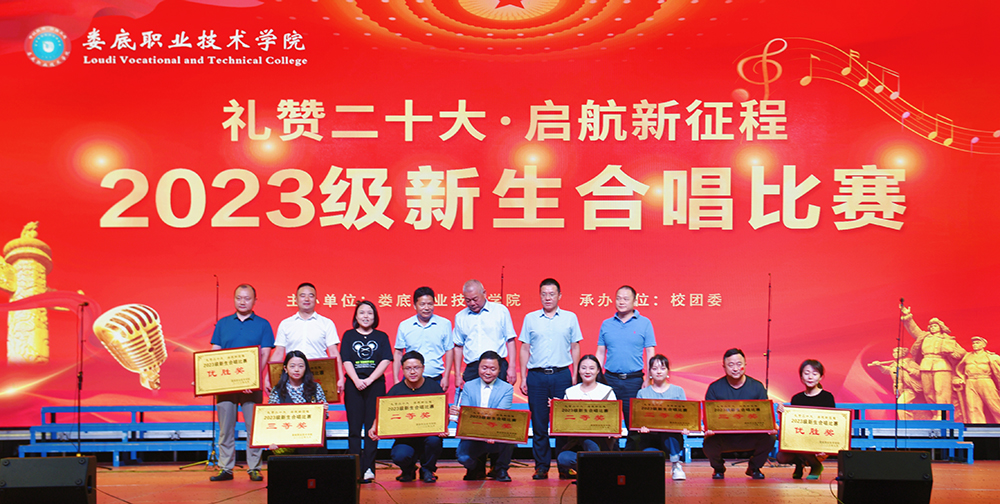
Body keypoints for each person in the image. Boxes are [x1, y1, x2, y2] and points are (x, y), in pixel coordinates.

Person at [209, 284, 274, 482]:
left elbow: (265, 354)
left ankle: (254, 467)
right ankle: (225, 468)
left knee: (253, 428)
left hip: (251, 387)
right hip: (225, 386)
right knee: (225, 429)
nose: (242, 302)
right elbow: (214, 352)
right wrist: (207, 377)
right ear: (234, 299)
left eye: (247, 298)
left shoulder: (263, 324)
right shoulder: (223, 323)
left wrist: (252, 379)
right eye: (239, 298)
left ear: (255, 301)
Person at [519, 278, 582, 480]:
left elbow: (575, 347)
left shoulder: (570, 317)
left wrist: (575, 375)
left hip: (562, 375)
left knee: (563, 423)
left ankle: (564, 465)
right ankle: (541, 466)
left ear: (559, 296)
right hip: (536, 376)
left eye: (552, 294)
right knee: (539, 424)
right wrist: (523, 377)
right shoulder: (530, 318)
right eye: (544, 294)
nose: (548, 298)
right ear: (540, 296)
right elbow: (525, 348)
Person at [595, 285, 656, 450]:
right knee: (607, 422)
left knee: (635, 424)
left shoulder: (644, 323)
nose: (621, 302)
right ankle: (611, 456)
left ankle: (631, 457)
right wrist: (596, 379)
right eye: (618, 298)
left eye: (626, 299)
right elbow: (600, 352)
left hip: (634, 381)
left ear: (635, 301)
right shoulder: (606, 324)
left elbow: (650, 352)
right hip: (609, 380)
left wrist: (649, 378)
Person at [370, 351, 444, 483]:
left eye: (416, 368)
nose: (412, 372)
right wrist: (374, 427)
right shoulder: (396, 390)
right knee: (399, 455)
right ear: (402, 370)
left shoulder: (433, 387)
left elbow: (443, 412)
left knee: (434, 441)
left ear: (423, 368)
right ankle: (408, 470)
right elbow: (383, 411)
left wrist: (444, 427)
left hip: (428, 435)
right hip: (405, 438)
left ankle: (427, 470)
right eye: (408, 368)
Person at [340, 300, 392, 483]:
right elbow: (346, 359)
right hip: (353, 386)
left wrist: (370, 380)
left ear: (375, 316)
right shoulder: (348, 335)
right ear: (356, 316)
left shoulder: (382, 336)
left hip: (375, 386)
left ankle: (369, 468)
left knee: (372, 429)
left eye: (370, 313)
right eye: (362, 312)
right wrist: (356, 380)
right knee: (354, 429)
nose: (366, 316)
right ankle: (354, 468)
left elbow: (386, 360)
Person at [704, 348, 775, 480]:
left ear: (745, 365)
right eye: (731, 365)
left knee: (770, 439)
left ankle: (754, 467)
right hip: (724, 437)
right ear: (724, 367)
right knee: (708, 443)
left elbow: (764, 415)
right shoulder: (714, 388)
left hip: (749, 436)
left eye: (739, 364)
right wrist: (709, 428)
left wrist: (770, 426)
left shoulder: (757, 387)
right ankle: (718, 468)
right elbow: (710, 416)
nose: (735, 369)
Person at [268, 282, 345, 396]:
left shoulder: (326, 323)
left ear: (316, 299)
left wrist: (340, 377)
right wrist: (268, 377)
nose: (307, 299)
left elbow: (334, 353)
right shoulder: (286, 324)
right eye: (302, 295)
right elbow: (278, 353)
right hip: (292, 377)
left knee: (319, 406)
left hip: (319, 375)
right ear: (296, 299)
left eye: (311, 295)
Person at [451, 351, 516, 482]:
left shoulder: (507, 388)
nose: (488, 372)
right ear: (478, 368)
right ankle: (476, 467)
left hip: (495, 433)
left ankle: (500, 468)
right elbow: (467, 414)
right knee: (463, 457)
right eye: (484, 368)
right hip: (473, 432)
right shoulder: (468, 386)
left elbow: (501, 413)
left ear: (499, 370)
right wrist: (458, 414)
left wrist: (491, 432)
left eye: (493, 369)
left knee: (511, 435)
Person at [555, 355, 618, 477]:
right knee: (564, 458)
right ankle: (595, 470)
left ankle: (590, 474)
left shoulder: (607, 391)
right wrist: (558, 408)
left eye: (591, 368)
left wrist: (613, 430)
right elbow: (565, 421)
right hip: (576, 442)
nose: (587, 371)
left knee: (589, 441)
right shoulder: (570, 392)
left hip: (601, 441)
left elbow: (613, 418)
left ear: (598, 370)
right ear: (578, 370)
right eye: (583, 368)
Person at [775, 359, 835, 479]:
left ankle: (816, 466)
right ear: (801, 377)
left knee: (802, 442)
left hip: (819, 439)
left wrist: (827, 444)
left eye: (814, 373)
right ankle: (799, 464)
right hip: (801, 439)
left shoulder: (827, 397)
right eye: (806, 373)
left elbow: (832, 423)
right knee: (781, 457)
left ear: (820, 377)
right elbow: (793, 424)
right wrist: (783, 414)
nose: (810, 377)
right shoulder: (797, 398)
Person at [452, 279, 518, 388]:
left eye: (475, 299)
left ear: (484, 293)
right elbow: (458, 347)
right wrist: (457, 375)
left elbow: (510, 340)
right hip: (473, 368)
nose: (472, 303)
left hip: (497, 366)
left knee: (498, 398)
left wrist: (512, 367)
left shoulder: (500, 311)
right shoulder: (460, 317)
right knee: (472, 399)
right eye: (468, 300)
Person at [901, 305, 966, 407]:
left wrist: (952, 353)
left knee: (941, 391)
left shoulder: (948, 339)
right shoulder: (924, 337)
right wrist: (908, 316)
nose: (932, 327)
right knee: (928, 392)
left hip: (942, 366)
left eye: (935, 326)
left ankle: (942, 414)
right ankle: (935, 413)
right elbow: (914, 329)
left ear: (941, 327)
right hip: (925, 366)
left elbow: (962, 353)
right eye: (931, 326)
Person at [393, 286, 454, 394]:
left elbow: (449, 350)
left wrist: (446, 377)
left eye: (430, 304)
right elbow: (398, 353)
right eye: (422, 304)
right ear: (414, 305)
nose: (426, 308)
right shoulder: (405, 325)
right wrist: (395, 379)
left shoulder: (444, 324)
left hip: (435, 378)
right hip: (410, 380)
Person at [635, 354, 687, 481]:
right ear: (650, 372)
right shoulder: (642, 393)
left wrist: (686, 426)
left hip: (671, 438)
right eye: (654, 368)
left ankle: (676, 464)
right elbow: (638, 418)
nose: (659, 372)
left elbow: (685, 416)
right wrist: (640, 427)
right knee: (651, 470)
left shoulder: (678, 391)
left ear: (668, 371)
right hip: (650, 436)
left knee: (670, 433)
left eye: (662, 368)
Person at [267, 350, 328, 455]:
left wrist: (323, 410)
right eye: (292, 366)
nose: (296, 370)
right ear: (285, 368)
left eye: (301, 366)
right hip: (286, 440)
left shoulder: (315, 388)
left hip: (311, 439)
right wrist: (271, 440)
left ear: (305, 368)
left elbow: (324, 416)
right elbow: (269, 418)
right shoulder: (277, 390)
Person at [956, 336, 1000, 423]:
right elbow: (959, 369)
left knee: (994, 404)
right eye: (973, 343)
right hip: (970, 381)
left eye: (977, 343)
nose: (974, 345)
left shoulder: (992, 357)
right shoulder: (967, 356)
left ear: (983, 345)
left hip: (985, 381)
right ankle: (977, 426)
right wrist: (960, 378)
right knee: (972, 406)